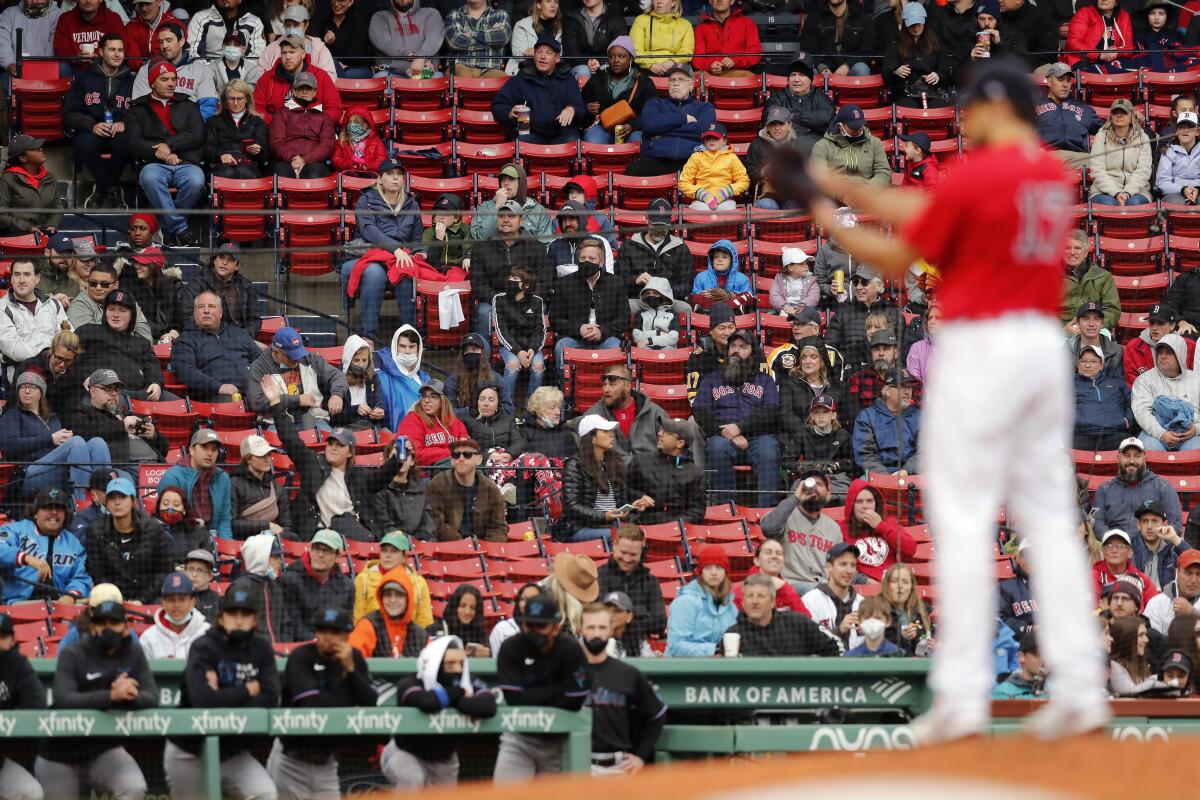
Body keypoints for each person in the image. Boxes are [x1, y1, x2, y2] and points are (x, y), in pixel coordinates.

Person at [809, 57, 1111, 739]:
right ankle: (1083, 689)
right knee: (1050, 522)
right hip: (1040, 347)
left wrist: (824, 210)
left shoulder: (983, 171)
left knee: (965, 519)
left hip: (983, 347)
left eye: (973, 106)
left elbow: (893, 257)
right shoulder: (1050, 174)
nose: (965, 118)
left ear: (994, 106)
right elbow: (923, 210)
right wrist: (837, 185)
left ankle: (964, 699)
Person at [165, 586, 280, 800]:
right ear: (220, 618)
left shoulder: (261, 648)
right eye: (232, 614)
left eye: (245, 614)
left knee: (265, 794)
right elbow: (203, 701)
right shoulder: (204, 647)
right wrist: (248, 689)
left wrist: (222, 697)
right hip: (190, 752)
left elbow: (271, 698)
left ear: (255, 620)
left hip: (233, 754)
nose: (238, 620)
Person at [34, 600, 157, 800]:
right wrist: (110, 696)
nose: (108, 629)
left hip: (104, 749)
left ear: (125, 627)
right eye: (102, 623)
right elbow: (64, 699)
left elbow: (152, 696)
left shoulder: (132, 652)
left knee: (133, 788)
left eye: (114, 623)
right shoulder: (72, 653)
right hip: (60, 753)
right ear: (93, 627)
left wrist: (129, 696)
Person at [261, 376, 399, 540]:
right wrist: (276, 403)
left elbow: (380, 478)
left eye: (339, 445)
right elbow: (290, 439)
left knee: (370, 540)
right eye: (330, 444)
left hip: (349, 533)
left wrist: (398, 460)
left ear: (349, 452)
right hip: (315, 531)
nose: (333, 448)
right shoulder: (312, 463)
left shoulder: (357, 476)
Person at [268, 606, 377, 800]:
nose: (328, 636)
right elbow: (312, 703)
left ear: (346, 635)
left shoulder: (354, 659)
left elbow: (370, 701)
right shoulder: (301, 656)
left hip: (327, 764)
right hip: (290, 760)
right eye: (322, 630)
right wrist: (349, 700)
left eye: (335, 631)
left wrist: (350, 670)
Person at [492, 592, 589, 782]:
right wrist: (560, 690)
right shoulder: (511, 647)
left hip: (561, 737)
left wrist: (530, 695)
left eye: (541, 625)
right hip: (520, 736)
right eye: (529, 625)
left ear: (555, 627)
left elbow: (576, 699)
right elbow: (514, 699)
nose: (535, 631)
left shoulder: (570, 648)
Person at [382, 636, 497, 790]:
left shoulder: (466, 679)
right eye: (450, 664)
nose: (457, 669)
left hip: (444, 760)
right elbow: (427, 702)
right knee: (412, 779)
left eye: (461, 664)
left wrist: (451, 698)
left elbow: (489, 706)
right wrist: (460, 693)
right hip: (405, 753)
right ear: (435, 665)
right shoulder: (412, 681)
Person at [693, 328, 781, 506]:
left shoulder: (765, 380)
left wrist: (741, 427)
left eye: (743, 346)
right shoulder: (711, 379)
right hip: (723, 438)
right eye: (732, 346)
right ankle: (726, 510)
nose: (735, 350)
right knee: (716, 447)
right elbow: (700, 411)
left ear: (752, 352)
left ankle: (766, 513)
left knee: (770, 448)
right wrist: (730, 431)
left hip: (758, 438)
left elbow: (771, 411)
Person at [0, 369, 115, 501]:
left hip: (57, 468)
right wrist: (50, 439)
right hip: (28, 473)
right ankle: (82, 501)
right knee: (76, 442)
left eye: (32, 387)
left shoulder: (53, 418)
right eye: (22, 387)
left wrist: (64, 440)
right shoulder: (12, 415)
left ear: (41, 392)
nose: (27, 391)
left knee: (97, 443)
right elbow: (10, 447)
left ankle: (107, 496)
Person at [125, 60, 205, 247]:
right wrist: (161, 152)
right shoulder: (138, 108)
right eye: (164, 79)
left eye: (173, 79)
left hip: (186, 162)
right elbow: (133, 142)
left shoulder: (188, 103)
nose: (171, 83)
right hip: (154, 163)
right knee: (150, 178)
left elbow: (198, 134)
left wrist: (169, 145)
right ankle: (180, 230)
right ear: (152, 83)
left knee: (196, 182)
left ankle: (169, 228)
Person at [340, 159, 423, 338]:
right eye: (390, 174)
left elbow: (416, 239)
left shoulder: (411, 204)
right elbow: (370, 231)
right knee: (374, 273)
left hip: (398, 258)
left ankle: (407, 337)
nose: (395, 179)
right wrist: (396, 249)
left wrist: (419, 252)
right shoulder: (366, 200)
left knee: (406, 271)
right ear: (379, 179)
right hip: (367, 256)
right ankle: (368, 336)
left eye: (399, 175)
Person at [580, 603, 666, 776]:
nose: (596, 633)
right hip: (576, 765)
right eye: (591, 627)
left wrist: (640, 756)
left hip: (617, 768)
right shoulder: (568, 671)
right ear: (580, 629)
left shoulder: (627, 673)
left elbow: (657, 714)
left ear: (611, 630)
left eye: (602, 627)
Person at [64, 32, 133, 209]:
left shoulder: (132, 80)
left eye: (121, 50)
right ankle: (111, 188)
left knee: (126, 144)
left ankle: (101, 189)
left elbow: (141, 111)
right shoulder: (84, 79)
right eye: (112, 50)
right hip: (92, 131)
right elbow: (70, 112)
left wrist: (125, 123)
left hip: (120, 132)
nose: (117, 54)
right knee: (84, 144)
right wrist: (91, 125)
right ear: (101, 52)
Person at [247, 325, 348, 431]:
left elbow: (338, 376)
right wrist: (297, 400)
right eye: (291, 356)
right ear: (277, 352)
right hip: (276, 422)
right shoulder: (259, 367)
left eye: (298, 353)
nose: (297, 358)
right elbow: (258, 402)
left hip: (311, 417)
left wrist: (337, 394)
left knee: (329, 443)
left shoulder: (308, 358)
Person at [86, 476, 170, 604]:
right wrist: (117, 599)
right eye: (112, 498)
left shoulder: (153, 529)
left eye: (122, 497)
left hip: (150, 598)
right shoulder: (96, 531)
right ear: (107, 503)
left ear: (133, 500)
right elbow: (98, 573)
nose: (117, 502)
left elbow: (163, 571)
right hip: (112, 598)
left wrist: (141, 600)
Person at [0, 487, 91, 604]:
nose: (54, 512)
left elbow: (81, 578)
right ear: (35, 513)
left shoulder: (73, 544)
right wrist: (26, 558)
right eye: (48, 507)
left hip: (59, 604)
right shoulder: (15, 530)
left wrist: (71, 596)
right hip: (18, 603)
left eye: (59, 508)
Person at [761, 468, 844, 592]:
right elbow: (769, 528)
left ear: (828, 496)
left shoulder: (834, 528)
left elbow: (838, 566)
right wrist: (796, 498)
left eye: (819, 484)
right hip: (790, 587)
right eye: (809, 483)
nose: (814, 488)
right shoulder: (785, 515)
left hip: (823, 590)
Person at [563, 416, 643, 543]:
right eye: (605, 431)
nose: (612, 435)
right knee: (620, 537)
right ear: (592, 438)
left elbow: (620, 499)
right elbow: (571, 507)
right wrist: (604, 516)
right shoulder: (575, 465)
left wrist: (633, 505)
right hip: (582, 527)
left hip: (612, 525)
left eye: (611, 431)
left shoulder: (613, 462)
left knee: (640, 535)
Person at [172, 289, 262, 402]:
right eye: (200, 307)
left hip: (251, 391)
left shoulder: (238, 333)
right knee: (232, 404)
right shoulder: (184, 340)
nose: (206, 311)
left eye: (211, 306)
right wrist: (218, 387)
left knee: (279, 396)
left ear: (220, 312)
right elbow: (186, 372)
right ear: (194, 313)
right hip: (214, 395)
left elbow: (260, 360)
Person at [76, 289, 167, 401]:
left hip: (140, 395)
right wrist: (84, 377)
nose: (115, 315)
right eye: (111, 309)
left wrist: (156, 383)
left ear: (132, 315)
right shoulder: (88, 331)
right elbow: (71, 359)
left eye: (122, 310)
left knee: (178, 405)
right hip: (103, 393)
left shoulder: (142, 343)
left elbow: (153, 368)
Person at [550, 236, 624, 372]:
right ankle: (566, 390)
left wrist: (602, 331)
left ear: (601, 262)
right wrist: (579, 329)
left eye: (592, 259)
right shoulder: (564, 284)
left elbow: (623, 319)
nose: (586, 262)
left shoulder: (616, 283)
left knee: (617, 348)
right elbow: (555, 319)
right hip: (574, 338)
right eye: (583, 258)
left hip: (606, 338)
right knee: (562, 347)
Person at [65, 368, 168, 465]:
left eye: (117, 389)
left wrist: (154, 435)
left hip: (154, 466)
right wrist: (122, 425)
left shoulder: (127, 414)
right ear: (93, 391)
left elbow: (165, 450)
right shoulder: (80, 412)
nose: (114, 394)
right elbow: (85, 432)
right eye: (108, 389)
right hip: (124, 467)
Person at [492, 35, 584, 144]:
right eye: (539, 52)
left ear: (557, 58)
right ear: (534, 55)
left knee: (573, 141)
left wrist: (572, 108)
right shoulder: (522, 78)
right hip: (530, 132)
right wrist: (510, 112)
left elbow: (581, 109)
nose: (543, 57)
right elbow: (498, 105)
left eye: (548, 53)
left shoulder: (568, 79)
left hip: (562, 133)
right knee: (520, 142)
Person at [628, 64, 714, 177]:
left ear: (691, 85)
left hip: (692, 162)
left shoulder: (705, 107)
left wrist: (662, 130)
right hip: (657, 160)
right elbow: (649, 125)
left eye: (681, 79)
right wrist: (684, 119)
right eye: (672, 79)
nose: (676, 83)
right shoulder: (655, 104)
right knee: (632, 172)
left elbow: (702, 131)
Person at [724, 573, 838, 657]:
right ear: (743, 602)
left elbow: (835, 646)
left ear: (773, 601)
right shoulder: (733, 635)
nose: (754, 601)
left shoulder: (797, 622)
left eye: (761, 596)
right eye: (749, 596)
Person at [1095, 440, 1186, 543]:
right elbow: (1098, 524)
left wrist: (1152, 546)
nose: (1132, 461)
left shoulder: (1163, 487)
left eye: (1137, 456)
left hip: (1152, 549)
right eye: (1127, 455)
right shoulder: (1104, 489)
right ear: (1118, 458)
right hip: (1114, 548)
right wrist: (1116, 542)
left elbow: (1175, 525)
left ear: (1145, 459)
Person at [584, 363, 672, 464]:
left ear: (628, 386)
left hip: (650, 474)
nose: (606, 390)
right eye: (604, 385)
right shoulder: (594, 416)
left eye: (612, 385)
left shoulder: (655, 413)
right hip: (612, 475)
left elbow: (670, 450)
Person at [426, 437, 511, 541]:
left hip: (482, 550)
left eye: (467, 455)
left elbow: (498, 527)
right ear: (452, 460)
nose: (461, 459)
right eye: (456, 455)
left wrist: (491, 549)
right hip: (448, 548)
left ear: (479, 460)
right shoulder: (438, 484)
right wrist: (462, 545)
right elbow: (436, 523)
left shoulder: (490, 489)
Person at [277, 529, 355, 641]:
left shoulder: (347, 586)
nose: (320, 555)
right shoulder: (289, 581)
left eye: (327, 550)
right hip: (302, 648)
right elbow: (292, 625)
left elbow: (347, 625)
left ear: (338, 556)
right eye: (316, 549)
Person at [130, 22, 219, 119]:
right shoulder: (146, 70)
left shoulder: (201, 70)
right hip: (156, 129)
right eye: (161, 42)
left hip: (191, 129)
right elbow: (140, 106)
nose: (164, 46)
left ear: (181, 41)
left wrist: (192, 127)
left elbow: (207, 107)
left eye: (169, 40)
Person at [626, 418, 707, 524]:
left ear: (680, 443)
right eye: (660, 430)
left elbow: (697, 512)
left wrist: (674, 526)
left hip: (676, 532)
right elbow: (623, 491)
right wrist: (638, 497)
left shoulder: (694, 473)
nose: (659, 434)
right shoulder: (641, 461)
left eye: (667, 432)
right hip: (641, 527)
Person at [0, 610, 45, 800]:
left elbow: (36, 705)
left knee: (31, 793)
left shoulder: (18, 665)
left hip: (1, 759)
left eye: (2, 636)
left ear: (12, 640)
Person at [596, 524, 667, 643]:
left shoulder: (650, 581)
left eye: (633, 554)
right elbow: (598, 619)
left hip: (641, 646)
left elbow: (659, 623)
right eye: (623, 552)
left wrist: (620, 619)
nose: (627, 559)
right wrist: (640, 612)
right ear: (614, 546)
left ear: (641, 552)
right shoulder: (599, 577)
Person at [179, 241, 263, 339]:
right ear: (215, 260)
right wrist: (212, 334)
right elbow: (186, 316)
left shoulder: (246, 286)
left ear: (237, 266)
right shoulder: (197, 284)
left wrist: (243, 336)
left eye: (230, 260)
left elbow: (254, 320)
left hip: (238, 339)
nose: (224, 262)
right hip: (206, 338)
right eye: (221, 257)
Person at [0, 259, 68, 379]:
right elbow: (15, 350)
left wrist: (55, 358)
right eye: (17, 275)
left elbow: (66, 336)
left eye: (27, 274)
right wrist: (50, 356)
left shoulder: (53, 304)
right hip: (21, 372)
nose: (21, 280)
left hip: (57, 371)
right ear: (11, 278)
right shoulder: (2, 308)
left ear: (37, 278)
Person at [252, 34, 343, 123]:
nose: (287, 57)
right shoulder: (267, 78)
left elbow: (335, 109)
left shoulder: (320, 75)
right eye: (284, 53)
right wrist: (277, 123)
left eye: (292, 52)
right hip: (276, 131)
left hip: (312, 132)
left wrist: (313, 121)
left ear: (303, 54)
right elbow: (257, 108)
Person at [665, 544, 738, 656]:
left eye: (719, 567)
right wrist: (716, 649)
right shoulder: (685, 602)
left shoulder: (731, 606)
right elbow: (676, 646)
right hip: (681, 668)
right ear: (701, 572)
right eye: (708, 568)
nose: (714, 573)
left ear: (725, 572)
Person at [159, 428, 233, 537]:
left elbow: (224, 520)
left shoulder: (222, 478)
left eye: (214, 449)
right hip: (182, 538)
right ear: (192, 450)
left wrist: (227, 548)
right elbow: (168, 521)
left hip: (213, 539)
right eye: (204, 447)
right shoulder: (173, 477)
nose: (209, 453)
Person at [1132, 334, 1200, 452]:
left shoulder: (1197, 380)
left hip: (1190, 435)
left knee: (1196, 450)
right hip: (1155, 435)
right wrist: (1161, 433)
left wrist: (1197, 429)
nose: (1162, 357)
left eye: (1169, 353)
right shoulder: (1144, 380)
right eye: (1160, 352)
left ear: (1180, 354)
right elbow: (1142, 413)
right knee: (1150, 448)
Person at [839, 479, 917, 582]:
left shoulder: (889, 523)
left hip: (890, 585)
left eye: (870, 501)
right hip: (859, 588)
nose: (865, 506)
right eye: (859, 501)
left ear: (876, 503)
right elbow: (835, 567)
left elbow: (911, 548)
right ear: (851, 505)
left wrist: (880, 526)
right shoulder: (841, 528)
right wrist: (865, 581)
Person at [491, 268, 547, 410]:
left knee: (538, 367)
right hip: (510, 347)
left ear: (526, 285)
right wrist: (517, 351)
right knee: (512, 365)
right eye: (509, 278)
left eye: (515, 280)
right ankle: (505, 406)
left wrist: (533, 349)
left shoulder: (537, 301)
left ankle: (531, 407)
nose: (510, 281)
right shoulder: (499, 299)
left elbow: (540, 330)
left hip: (531, 348)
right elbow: (500, 329)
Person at [617, 197, 692, 300]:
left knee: (685, 308)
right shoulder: (629, 246)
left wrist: (663, 291)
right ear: (646, 218)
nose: (659, 230)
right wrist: (635, 280)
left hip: (668, 303)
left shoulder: (680, 249)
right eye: (656, 224)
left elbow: (687, 285)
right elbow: (618, 282)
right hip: (637, 301)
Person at [353, 530, 434, 625]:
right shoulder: (363, 580)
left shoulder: (419, 583)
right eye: (384, 550)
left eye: (394, 551)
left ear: (404, 556)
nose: (387, 555)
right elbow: (357, 620)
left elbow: (425, 623)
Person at [470, 158, 553, 251]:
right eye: (503, 180)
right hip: (494, 261)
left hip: (526, 262)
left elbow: (544, 247)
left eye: (511, 179)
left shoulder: (538, 211)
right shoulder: (486, 207)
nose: (506, 183)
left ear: (521, 183)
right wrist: (497, 208)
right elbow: (480, 239)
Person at [580, 36, 650, 145]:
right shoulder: (598, 78)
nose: (616, 60)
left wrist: (632, 125)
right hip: (602, 128)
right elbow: (579, 104)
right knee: (593, 140)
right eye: (611, 56)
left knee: (639, 141)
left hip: (632, 130)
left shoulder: (643, 81)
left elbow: (651, 111)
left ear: (631, 59)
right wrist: (588, 108)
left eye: (621, 56)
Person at [852, 368, 922, 476]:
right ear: (887, 391)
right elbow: (865, 455)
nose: (907, 391)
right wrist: (885, 478)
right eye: (902, 386)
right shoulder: (867, 417)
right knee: (862, 490)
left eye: (909, 387)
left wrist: (906, 471)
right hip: (877, 477)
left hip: (912, 475)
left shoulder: (920, 417)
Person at [349, 565, 430, 656]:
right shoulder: (368, 626)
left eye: (399, 595)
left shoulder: (421, 636)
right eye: (388, 595)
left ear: (408, 598)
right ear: (381, 598)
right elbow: (352, 661)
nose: (393, 600)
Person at [267, 70, 334, 177]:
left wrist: (304, 159)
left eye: (308, 88)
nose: (305, 92)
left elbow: (326, 146)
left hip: (313, 161)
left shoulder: (323, 116)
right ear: (294, 91)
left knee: (316, 175)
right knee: (280, 175)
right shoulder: (282, 113)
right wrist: (293, 158)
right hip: (285, 161)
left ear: (315, 92)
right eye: (301, 88)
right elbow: (276, 143)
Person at [811, 105, 894, 190]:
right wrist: (843, 195)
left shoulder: (875, 143)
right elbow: (821, 178)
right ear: (840, 126)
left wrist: (867, 190)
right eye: (853, 127)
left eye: (860, 125)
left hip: (868, 195)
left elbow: (884, 172)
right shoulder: (822, 146)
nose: (858, 129)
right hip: (835, 196)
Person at [801, 542, 864, 653]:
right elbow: (806, 644)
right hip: (824, 667)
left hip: (858, 667)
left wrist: (871, 633)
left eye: (853, 565)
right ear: (829, 567)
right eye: (843, 564)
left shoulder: (863, 603)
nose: (849, 571)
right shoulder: (810, 601)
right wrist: (839, 630)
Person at [763, 60, 835, 158]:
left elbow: (828, 117)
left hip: (815, 149)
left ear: (810, 80)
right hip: (784, 147)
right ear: (788, 80)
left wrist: (796, 117)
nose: (796, 79)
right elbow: (769, 116)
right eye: (793, 75)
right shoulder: (778, 97)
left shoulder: (819, 97)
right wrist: (811, 122)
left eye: (802, 75)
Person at [1088, 98, 1152, 206]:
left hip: (1137, 191)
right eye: (1115, 112)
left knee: (1134, 203)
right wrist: (1116, 192)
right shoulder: (1101, 137)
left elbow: (1143, 171)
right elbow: (1097, 170)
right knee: (1110, 204)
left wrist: (1127, 193)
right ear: (1111, 117)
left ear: (1132, 115)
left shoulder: (1143, 138)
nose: (1119, 115)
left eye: (1124, 112)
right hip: (1103, 191)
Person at [66, 262, 152, 342]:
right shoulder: (80, 304)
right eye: (93, 283)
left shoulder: (126, 299)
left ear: (116, 285)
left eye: (104, 284)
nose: (98, 288)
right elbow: (91, 339)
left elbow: (145, 337)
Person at [1034, 63, 1102, 161]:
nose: (1065, 84)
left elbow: (1107, 131)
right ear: (1049, 81)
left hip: (1077, 159)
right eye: (1060, 80)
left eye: (1068, 80)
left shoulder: (1083, 108)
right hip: (1046, 157)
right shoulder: (1034, 106)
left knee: (1099, 166)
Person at [395, 378, 470, 467]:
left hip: (455, 469)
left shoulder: (454, 421)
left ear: (443, 400)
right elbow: (416, 455)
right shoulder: (412, 420)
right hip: (425, 474)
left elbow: (466, 447)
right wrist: (452, 451)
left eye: (433, 397)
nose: (426, 400)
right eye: (424, 396)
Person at [205, 79, 270, 177]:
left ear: (247, 99)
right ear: (225, 100)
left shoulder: (257, 122)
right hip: (221, 166)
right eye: (231, 99)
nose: (235, 103)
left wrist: (258, 151)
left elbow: (265, 154)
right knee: (226, 173)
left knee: (243, 171)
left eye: (239, 99)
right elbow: (208, 148)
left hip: (249, 166)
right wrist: (221, 155)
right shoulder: (213, 121)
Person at [1073, 345, 1133, 451]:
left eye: (1093, 362)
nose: (1087, 365)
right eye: (1083, 361)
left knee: (1130, 452)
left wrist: (1127, 421)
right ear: (1078, 365)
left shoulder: (1116, 383)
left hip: (1114, 432)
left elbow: (1132, 402)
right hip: (1081, 433)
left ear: (1101, 365)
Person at [678, 123, 749, 212]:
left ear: (724, 140)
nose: (711, 140)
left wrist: (726, 192)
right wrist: (702, 194)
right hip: (701, 201)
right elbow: (683, 183)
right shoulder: (696, 157)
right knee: (701, 209)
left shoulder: (732, 157)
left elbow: (744, 181)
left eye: (715, 138)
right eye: (708, 138)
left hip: (725, 200)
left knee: (728, 208)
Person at [230, 532, 287, 642]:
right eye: (275, 557)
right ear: (260, 558)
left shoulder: (275, 587)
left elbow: (285, 624)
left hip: (279, 654)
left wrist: (285, 647)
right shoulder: (241, 588)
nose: (280, 561)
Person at [139, 572, 211, 659]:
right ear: (163, 602)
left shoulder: (207, 633)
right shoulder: (148, 638)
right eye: (171, 599)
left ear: (193, 601)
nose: (176, 605)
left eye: (182, 599)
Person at [1061, 233, 1121, 335]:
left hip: (1095, 329)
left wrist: (1091, 325)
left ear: (1086, 252)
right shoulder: (1050, 277)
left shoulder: (1103, 277)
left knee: (1105, 337)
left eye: (1077, 248)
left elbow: (1112, 310)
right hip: (1061, 332)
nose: (1072, 252)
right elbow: (1041, 312)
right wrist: (1061, 330)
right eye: (1067, 248)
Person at [258, 4, 336, 80]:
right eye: (288, 25)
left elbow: (330, 77)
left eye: (296, 25)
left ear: (306, 25)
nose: (291, 29)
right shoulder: (273, 48)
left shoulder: (319, 48)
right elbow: (259, 73)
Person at [373, 448, 437, 543]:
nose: (401, 459)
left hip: (419, 546)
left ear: (412, 461)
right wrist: (410, 542)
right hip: (390, 545)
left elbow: (427, 524)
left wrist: (423, 541)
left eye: (405, 455)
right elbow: (383, 526)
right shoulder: (377, 488)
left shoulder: (420, 488)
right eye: (396, 456)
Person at [799, 0, 875, 76]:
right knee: (807, 70)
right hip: (821, 68)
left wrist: (847, 65)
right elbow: (807, 50)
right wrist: (822, 68)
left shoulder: (863, 19)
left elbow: (867, 51)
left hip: (851, 68)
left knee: (861, 69)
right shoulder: (813, 18)